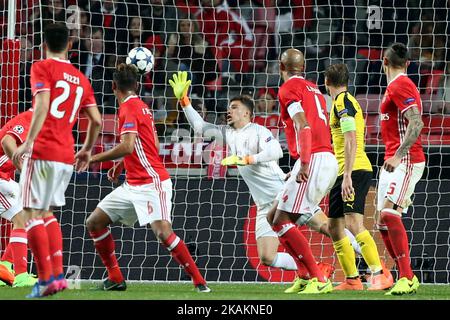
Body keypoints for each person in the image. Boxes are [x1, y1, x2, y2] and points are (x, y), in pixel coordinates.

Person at [169, 71, 338, 294]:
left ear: (248, 113)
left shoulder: (259, 131)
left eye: (235, 107)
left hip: (280, 192)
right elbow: (200, 127)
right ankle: (312, 270)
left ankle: (364, 262)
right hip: (262, 204)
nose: (229, 110)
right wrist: (184, 101)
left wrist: (246, 159)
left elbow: (276, 151)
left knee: (326, 226)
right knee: (267, 257)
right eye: (229, 107)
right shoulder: (227, 133)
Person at [86, 64, 211, 293]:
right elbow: (150, 143)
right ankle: (115, 278)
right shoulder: (142, 106)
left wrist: (93, 158)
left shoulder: (128, 109)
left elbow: (128, 146)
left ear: (113, 87)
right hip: (132, 183)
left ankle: (199, 282)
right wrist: (120, 165)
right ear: (137, 84)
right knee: (94, 222)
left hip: (152, 182)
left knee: (163, 232)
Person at [12, 23, 102, 298]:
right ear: (70, 45)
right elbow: (97, 120)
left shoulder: (42, 67)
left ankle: (46, 278)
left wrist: (28, 141)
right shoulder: (80, 78)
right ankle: (58, 276)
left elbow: (42, 104)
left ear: (43, 45)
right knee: (48, 213)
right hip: (67, 154)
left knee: (29, 212)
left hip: (43, 150)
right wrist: (87, 149)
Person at [267, 48, 338, 294]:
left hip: (314, 158)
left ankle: (318, 277)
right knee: (273, 216)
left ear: (281, 67)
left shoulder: (288, 89)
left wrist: (304, 163)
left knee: (282, 220)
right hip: (321, 156)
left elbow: (304, 126)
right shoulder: (313, 88)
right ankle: (305, 274)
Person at [324, 63, 393, 291]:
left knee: (353, 223)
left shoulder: (343, 102)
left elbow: (351, 138)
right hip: (342, 171)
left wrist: (347, 177)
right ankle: (353, 279)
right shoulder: (342, 102)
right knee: (335, 226)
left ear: (326, 82)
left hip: (354, 171)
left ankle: (379, 273)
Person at [376, 43, 425, 295]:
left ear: (384, 62)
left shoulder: (400, 85)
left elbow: (417, 122)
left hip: (405, 161)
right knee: (382, 221)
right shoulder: (394, 86)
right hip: (393, 160)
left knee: (389, 215)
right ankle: (404, 276)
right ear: (407, 63)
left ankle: (408, 277)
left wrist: (398, 156)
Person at [0, 110, 38, 288]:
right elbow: (7, 141)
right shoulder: (29, 118)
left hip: (4, 177)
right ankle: (21, 276)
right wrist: (23, 169)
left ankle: (4, 267)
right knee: (22, 218)